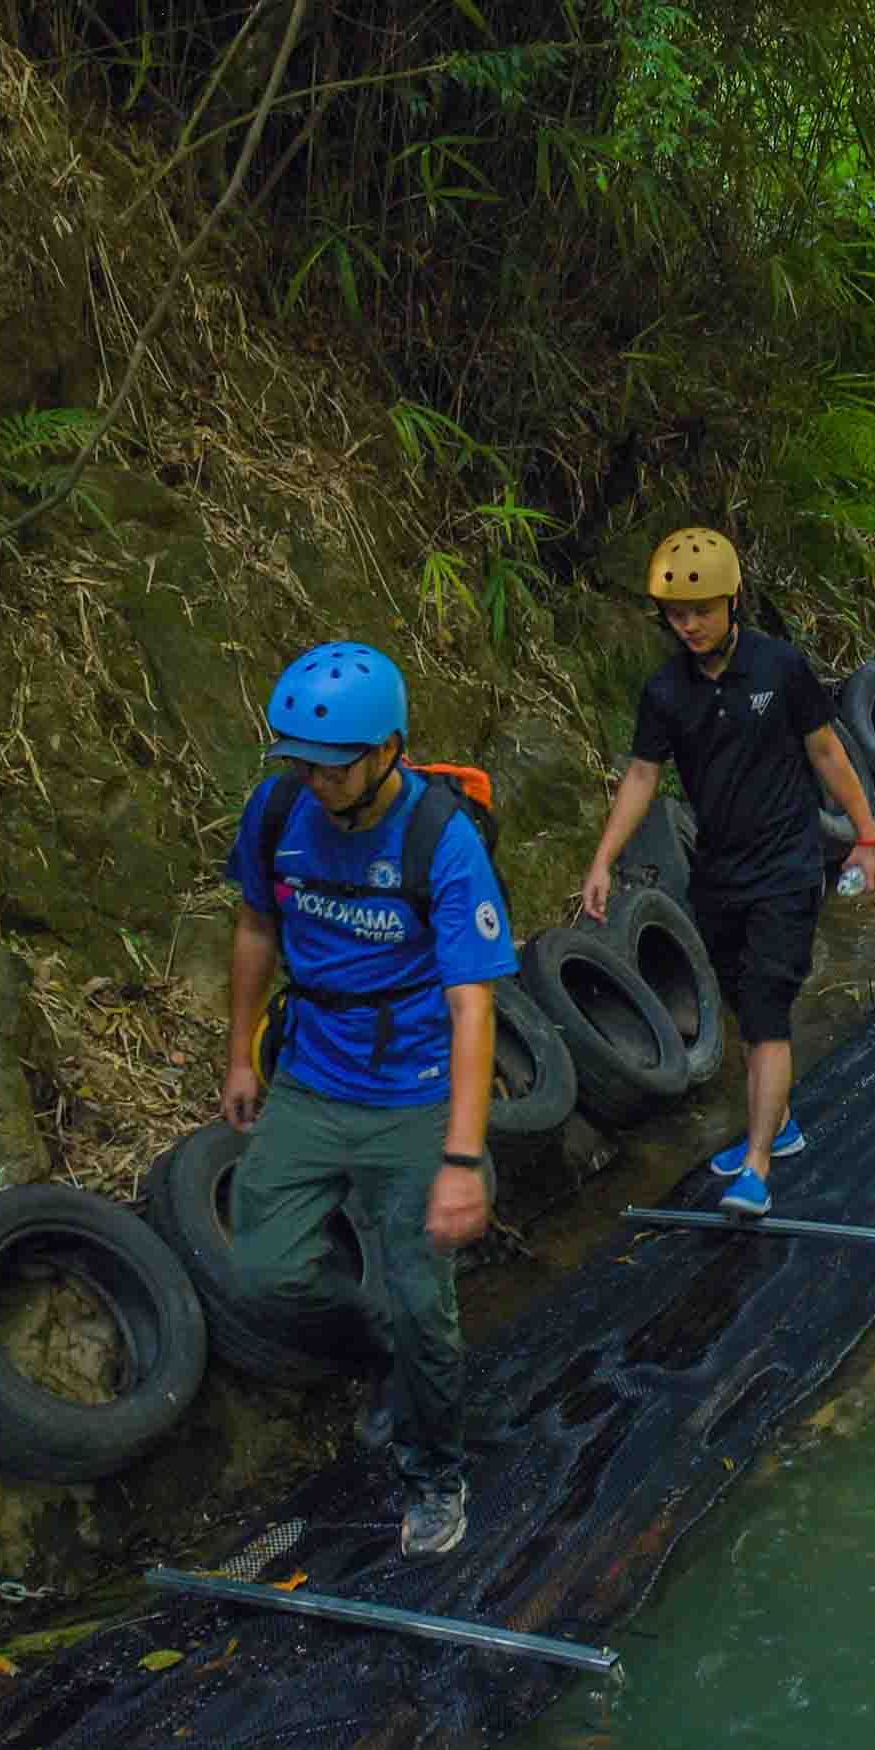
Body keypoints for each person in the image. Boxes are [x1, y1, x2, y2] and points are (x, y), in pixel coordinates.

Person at [220, 640, 516, 1557]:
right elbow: (255, 924)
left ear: (386, 750)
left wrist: (462, 1159)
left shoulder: (442, 839)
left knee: (428, 1303)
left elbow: (474, 1006)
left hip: (415, 1096)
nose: (313, 779)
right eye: (299, 760)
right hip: (312, 1076)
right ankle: (382, 1348)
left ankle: (435, 1476)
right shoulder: (280, 810)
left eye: (332, 763)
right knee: (264, 1270)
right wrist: (239, 1053)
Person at [575, 528, 875, 1218]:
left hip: (786, 866)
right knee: (746, 1007)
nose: (687, 625)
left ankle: (756, 1165)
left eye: (702, 611)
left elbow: (828, 753)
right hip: (716, 873)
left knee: (770, 1009)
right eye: (676, 614)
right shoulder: (665, 691)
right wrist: (601, 860)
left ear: (733, 600)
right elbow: (642, 776)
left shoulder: (780, 670)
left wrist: (866, 834)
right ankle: (779, 1122)